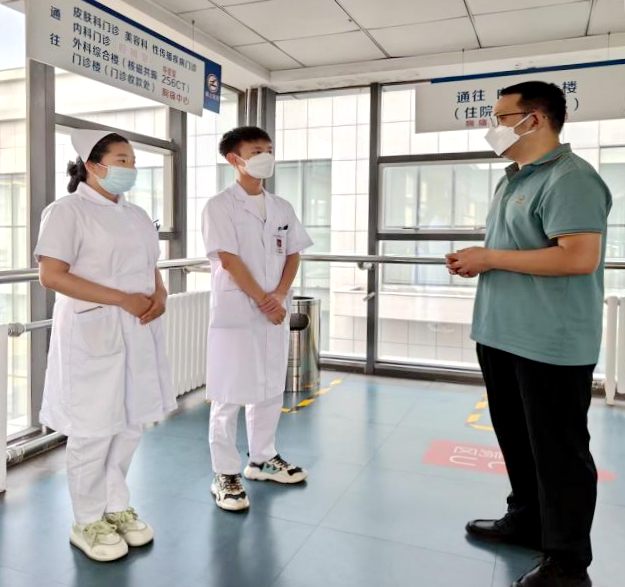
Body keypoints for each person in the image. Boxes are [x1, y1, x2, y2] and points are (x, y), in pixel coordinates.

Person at [447, 81, 611, 587]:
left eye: (499, 116)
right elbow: (518, 250)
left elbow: (579, 258)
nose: (490, 126)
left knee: (560, 454)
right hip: (500, 333)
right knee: (517, 440)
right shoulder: (513, 179)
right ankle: (527, 520)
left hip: (550, 343)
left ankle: (567, 563)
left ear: (534, 119)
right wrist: (479, 259)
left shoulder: (571, 178)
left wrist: (490, 257)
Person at [35, 130, 176, 561]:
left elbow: (149, 265)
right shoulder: (66, 212)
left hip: (137, 327)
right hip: (93, 330)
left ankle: (115, 506)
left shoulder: (135, 214)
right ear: (93, 165)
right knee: (93, 430)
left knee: (129, 424)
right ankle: (87, 520)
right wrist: (122, 299)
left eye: (132, 160)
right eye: (121, 160)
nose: (130, 167)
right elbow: (51, 275)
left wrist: (160, 294)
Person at [201, 126, 313, 512]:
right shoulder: (220, 206)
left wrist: (278, 296)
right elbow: (228, 259)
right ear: (234, 159)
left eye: (269, 149)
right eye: (256, 151)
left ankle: (262, 458)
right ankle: (225, 472)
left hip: (273, 310)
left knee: (269, 386)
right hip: (237, 311)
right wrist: (264, 300)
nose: (265, 156)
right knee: (229, 393)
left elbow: (294, 253)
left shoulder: (281, 207)